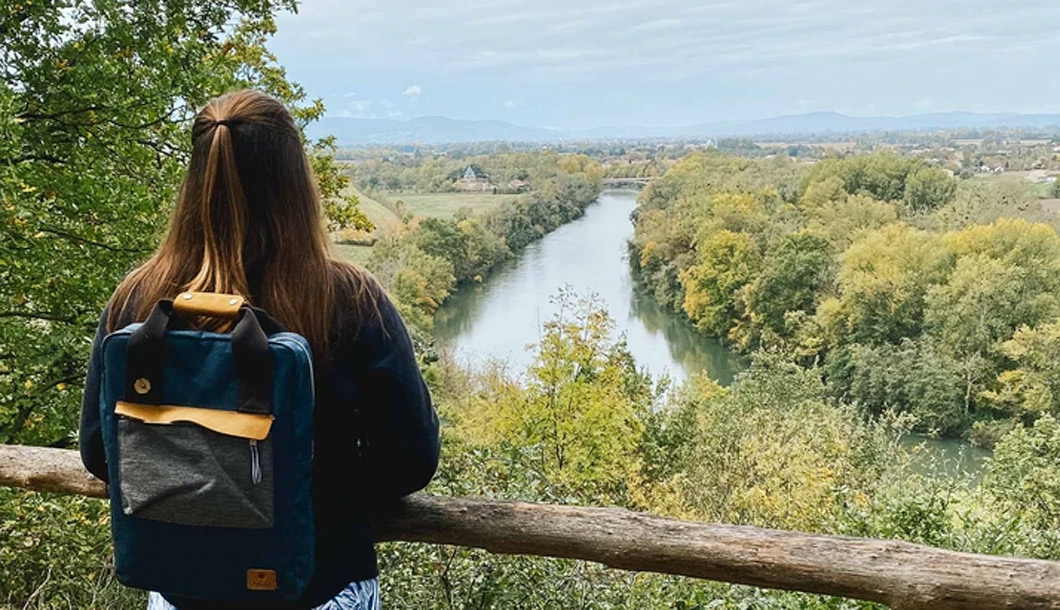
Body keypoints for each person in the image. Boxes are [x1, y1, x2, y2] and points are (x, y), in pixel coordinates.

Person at [78, 90, 440, 610]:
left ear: (195, 177)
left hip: (181, 594)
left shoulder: (137, 299)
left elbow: (99, 451)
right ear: (296, 182)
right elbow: (412, 460)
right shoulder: (349, 300)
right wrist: (320, 491)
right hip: (319, 587)